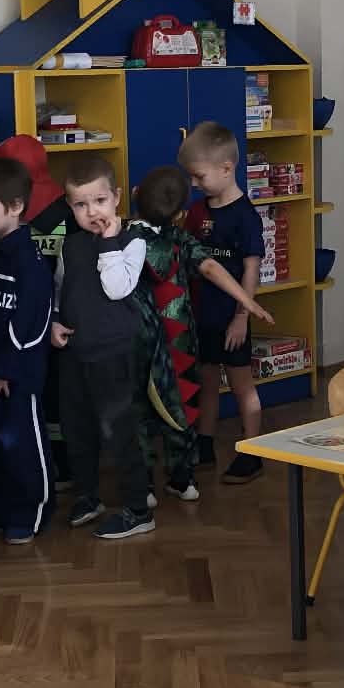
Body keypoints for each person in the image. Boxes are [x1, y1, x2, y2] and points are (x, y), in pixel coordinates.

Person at [129, 165, 275, 503]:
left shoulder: (125, 237)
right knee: (182, 402)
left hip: (142, 337)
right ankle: (184, 479)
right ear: (180, 215)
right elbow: (210, 267)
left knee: (141, 409)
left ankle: (145, 486)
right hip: (179, 337)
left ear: (135, 194)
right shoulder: (181, 239)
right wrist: (247, 302)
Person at [51, 156, 155, 541]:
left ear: (117, 198)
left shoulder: (133, 242)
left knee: (118, 431)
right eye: (80, 204)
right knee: (76, 428)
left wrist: (109, 241)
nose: (92, 212)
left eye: (99, 201)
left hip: (112, 353)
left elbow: (116, 288)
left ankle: (138, 509)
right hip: (74, 351)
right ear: (70, 206)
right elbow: (61, 287)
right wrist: (55, 320)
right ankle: (88, 496)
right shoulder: (71, 245)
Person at [0, 155, 54, 545]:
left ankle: (30, 511)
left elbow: (32, 323)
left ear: (15, 206)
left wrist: (4, 369)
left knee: (22, 448)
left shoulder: (29, 261)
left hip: (17, 378)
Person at [179, 122, 266, 484]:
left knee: (242, 384)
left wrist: (241, 317)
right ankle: (205, 444)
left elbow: (251, 271)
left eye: (199, 176)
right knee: (207, 381)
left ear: (226, 168)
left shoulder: (245, 217)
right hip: (202, 316)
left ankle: (252, 451)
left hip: (232, 318)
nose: (194, 184)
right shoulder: (197, 211)